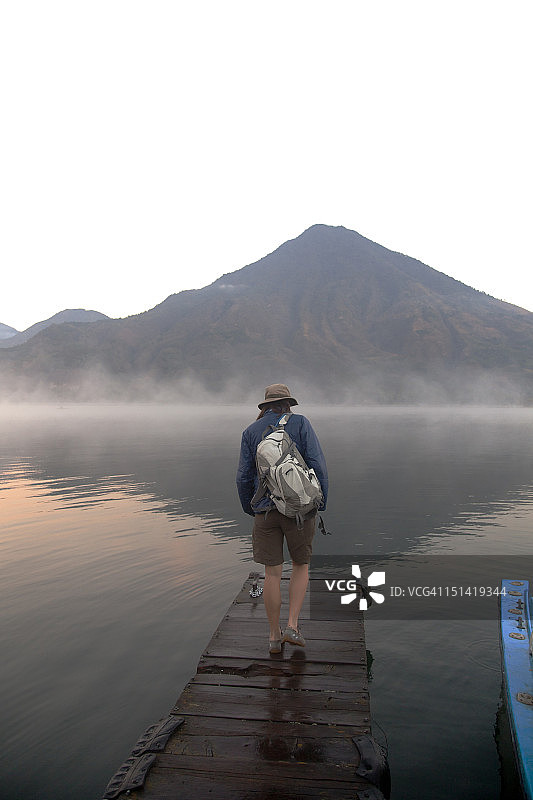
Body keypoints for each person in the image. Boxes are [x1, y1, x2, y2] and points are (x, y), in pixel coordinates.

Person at [236, 383, 328, 655]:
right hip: (300, 511)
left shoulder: (251, 432)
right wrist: (320, 502)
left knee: (272, 573)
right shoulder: (301, 424)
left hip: (265, 512)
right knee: (300, 565)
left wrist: (250, 508)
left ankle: (274, 638)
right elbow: (317, 463)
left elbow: (242, 477)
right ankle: (293, 626)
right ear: (288, 404)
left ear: (264, 407)